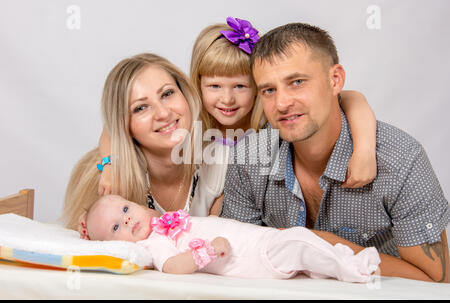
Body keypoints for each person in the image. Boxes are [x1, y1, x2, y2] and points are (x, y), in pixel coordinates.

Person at [220, 22, 450, 283]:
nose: (281, 103)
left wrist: (319, 244)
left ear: (335, 79)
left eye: (297, 82)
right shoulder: (249, 159)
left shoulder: (400, 160)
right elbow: (237, 261)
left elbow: (437, 279)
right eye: (269, 90)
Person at [190, 17, 378, 189]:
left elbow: (351, 99)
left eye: (240, 86)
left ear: (258, 88)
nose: (227, 99)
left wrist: (364, 150)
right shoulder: (193, 132)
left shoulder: (276, 119)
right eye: (214, 86)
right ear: (198, 85)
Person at [62, 53, 220, 229]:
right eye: (141, 108)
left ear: (185, 95)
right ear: (124, 126)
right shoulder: (106, 182)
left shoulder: (220, 163)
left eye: (167, 93)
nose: (163, 113)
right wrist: (110, 163)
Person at [78, 194, 381, 283]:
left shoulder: (162, 223)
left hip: (257, 240)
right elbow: (170, 266)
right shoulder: (152, 243)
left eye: (125, 209)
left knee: (299, 243)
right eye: (116, 227)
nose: (127, 219)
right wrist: (205, 253)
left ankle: (333, 262)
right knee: (299, 240)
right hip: (253, 256)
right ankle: (348, 268)